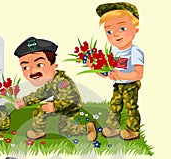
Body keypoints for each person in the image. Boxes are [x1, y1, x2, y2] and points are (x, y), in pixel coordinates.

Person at [13, 37, 97, 141]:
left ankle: (87, 128)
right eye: (25, 67)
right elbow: (40, 94)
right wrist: (25, 101)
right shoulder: (50, 81)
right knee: (39, 110)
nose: (32, 71)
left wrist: (54, 106)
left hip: (69, 106)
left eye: (40, 64)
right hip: (59, 103)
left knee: (65, 129)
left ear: (54, 65)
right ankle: (38, 131)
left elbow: (69, 100)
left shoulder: (62, 81)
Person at [89, 2, 144, 140]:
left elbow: (139, 74)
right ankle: (113, 128)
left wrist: (121, 74)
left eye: (122, 28)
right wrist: (95, 68)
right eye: (109, 31)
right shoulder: (113, 52)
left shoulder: (135, 51)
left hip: (131, 85)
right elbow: (106, 73)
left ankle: (133, 130)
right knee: (114, 105)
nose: (115, 35)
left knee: (130, 106)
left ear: (135, 29)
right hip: (118, 85)